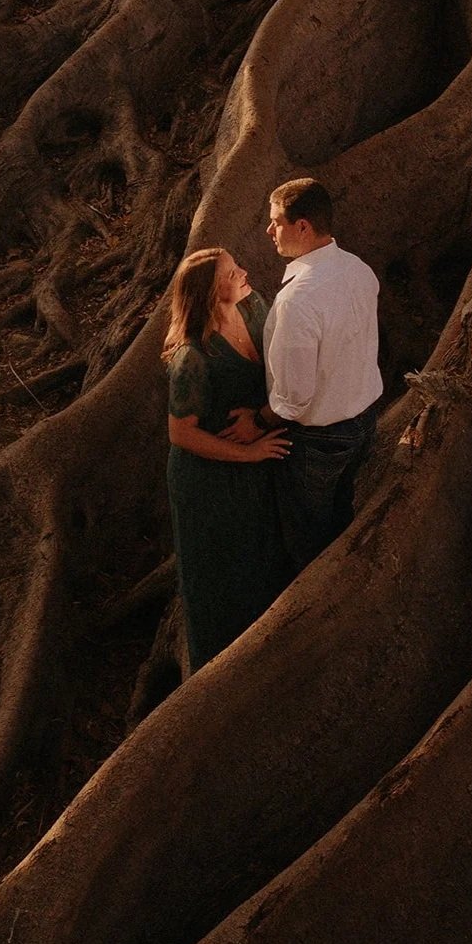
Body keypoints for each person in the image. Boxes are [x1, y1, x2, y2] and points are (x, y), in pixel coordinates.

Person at [221, 179, 382, 571]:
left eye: (276, 222)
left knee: (307, 538)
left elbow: (294, 398)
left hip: (319, 440)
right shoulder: (358, 269)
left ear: (303, 226)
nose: (269, 230)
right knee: (341, 516)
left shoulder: (297, 300)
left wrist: (257, 422)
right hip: (365, 421)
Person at [163, 247, 292, 672]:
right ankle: (221, 676)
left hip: (255, 468)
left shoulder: (254, 308)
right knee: (222, 580)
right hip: (209, 482)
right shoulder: (193, 356)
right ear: (209, 292)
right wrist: (248, 452)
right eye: (232, 272)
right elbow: (181, 434)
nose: (244, 272)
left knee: (265, 563)